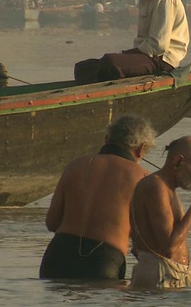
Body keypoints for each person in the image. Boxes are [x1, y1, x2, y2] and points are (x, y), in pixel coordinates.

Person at [39, 114, 157, 280]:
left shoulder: (75, 165)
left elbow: (52, 223)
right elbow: (147, 240)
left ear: (106, 139)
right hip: (104, 260)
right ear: (141, 148)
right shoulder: (144, 179)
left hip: (57, 256)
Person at [74, 0, 189, 85]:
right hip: (146, 56)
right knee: (83, 68)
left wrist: (129, 54)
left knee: (111, 62)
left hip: (162, 60)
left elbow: (159, 45)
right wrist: (129, 55)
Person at [129, 136, 191, 289]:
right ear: (178, 161)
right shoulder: (156, 186)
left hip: (168, 275)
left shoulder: (167, 188)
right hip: (160, 276)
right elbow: (168, 248)